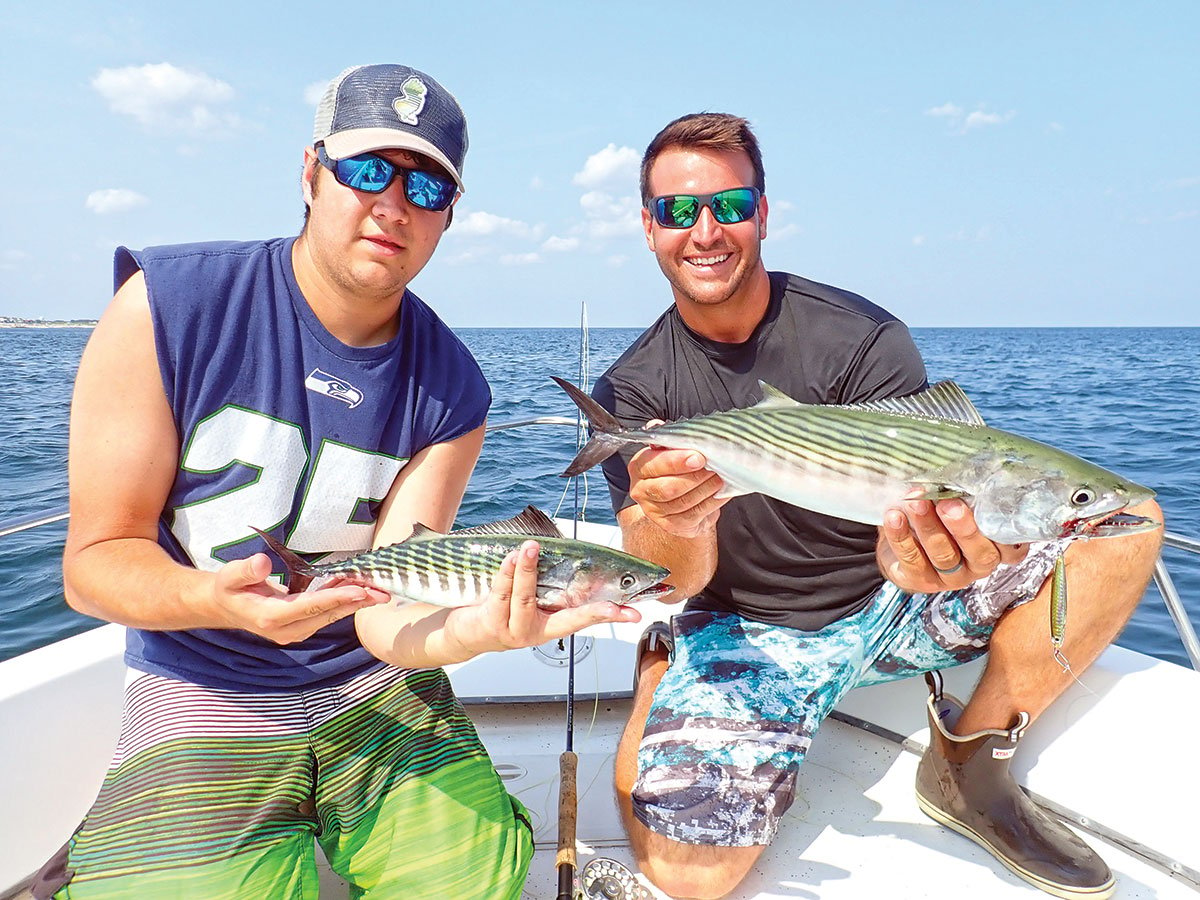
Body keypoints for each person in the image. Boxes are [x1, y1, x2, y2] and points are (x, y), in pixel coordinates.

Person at [34, 64, 639, 900]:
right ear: (312, 172)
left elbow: (392, 611)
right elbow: (94, 561)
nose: (393, 204)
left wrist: (486, 635)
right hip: (203, 680)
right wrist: (217, 602)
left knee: (476, 879)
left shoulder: (454, 388)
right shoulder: (165, 305)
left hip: (370, 681)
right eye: (367, 170)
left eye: (426, 186)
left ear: (448, 217)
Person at [592, 112, 1163, 900]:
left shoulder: (860, 337)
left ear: (761, 211)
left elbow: (901, 540)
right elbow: (665, 576)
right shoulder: (633, 388)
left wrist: (919, 561)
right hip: (747, 628)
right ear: (648, 228)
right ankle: (662, 675)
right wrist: (677, 519)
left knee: (1127, 520)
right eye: (679, 211)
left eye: (728, 204)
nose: (706, 230)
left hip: (886, 602)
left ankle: (969, 758)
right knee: (688, 881)